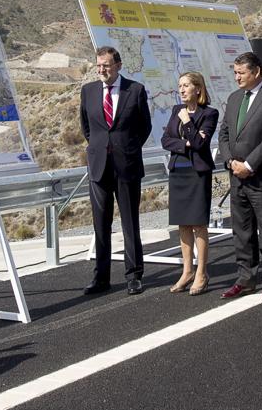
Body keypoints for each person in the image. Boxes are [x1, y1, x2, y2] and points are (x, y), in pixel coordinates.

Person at [216, 51, 262, 303]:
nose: (236, 77)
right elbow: (224, 134)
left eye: (241, 73)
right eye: (235, 72)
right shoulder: (235, 98)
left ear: (256, 72)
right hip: (237, 177)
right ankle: (245, 278)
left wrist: (248, 164)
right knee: (242, 231)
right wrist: (230, 162)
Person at [80, 46, 153, 296]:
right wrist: (100, 147)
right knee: (101, 224)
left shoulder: (135, 90)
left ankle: (134, 275)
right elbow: (87, 127)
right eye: (99, 66)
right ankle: (101, 278)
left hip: (127, 164)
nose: (102, 70)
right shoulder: (88, 91)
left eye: (107, 66)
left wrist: (126, 148)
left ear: (119, 65)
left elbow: (145, 127)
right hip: (99, 166)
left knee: (130, 223)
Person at [159, 71, 218, 295]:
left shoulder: (209, 114)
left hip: (197, 174)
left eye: (186, 86)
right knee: (183, 224)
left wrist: (187, 122)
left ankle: (201, 272)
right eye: (180, 86)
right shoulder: (176, 110)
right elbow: (166, 140)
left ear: (198, 89)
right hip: (178, 172)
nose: (182, 90)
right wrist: (184, 144)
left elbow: (200, 145)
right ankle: (187, 271)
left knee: (198, 224)